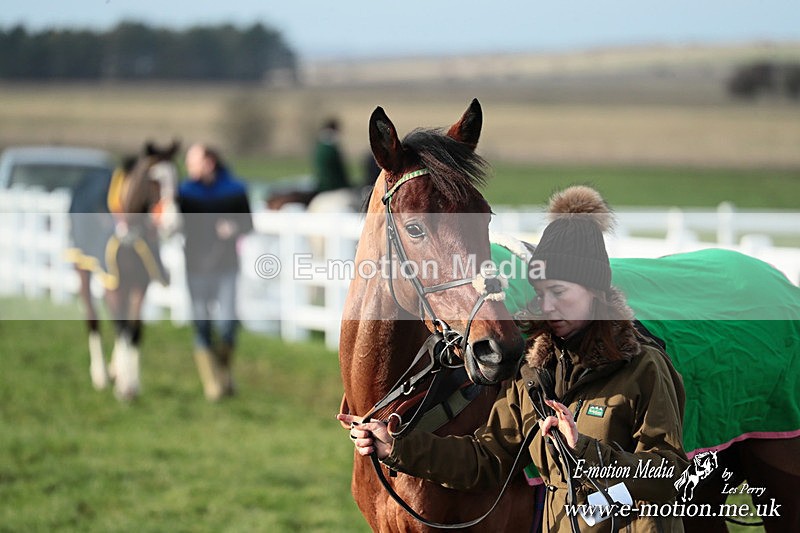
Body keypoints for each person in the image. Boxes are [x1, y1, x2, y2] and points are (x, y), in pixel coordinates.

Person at [339, 186, 689, 532]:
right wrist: (397, 447)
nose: (547, 306)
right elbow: (486, 459)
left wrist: (583, 450)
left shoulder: (645, 369)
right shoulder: (535, 375)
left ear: (595, 290)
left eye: (559, 293)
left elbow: (669, 476)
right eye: (541, 293)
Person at [178, 144, 252, 401]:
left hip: (226, 266)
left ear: (208, 162)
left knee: (228, 324)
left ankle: (224, 371)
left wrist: (233, 228)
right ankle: (213, 385)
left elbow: (248, 223)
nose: (188, 167)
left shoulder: (234, 189)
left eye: (193, 161)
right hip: (196, 267)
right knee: (202, 324)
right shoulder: (184, 192)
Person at [312, 117, 350, 193]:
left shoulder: (319, 146)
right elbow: (339, 171)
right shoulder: (331, 149)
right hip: (334, 187)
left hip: (321, 186)